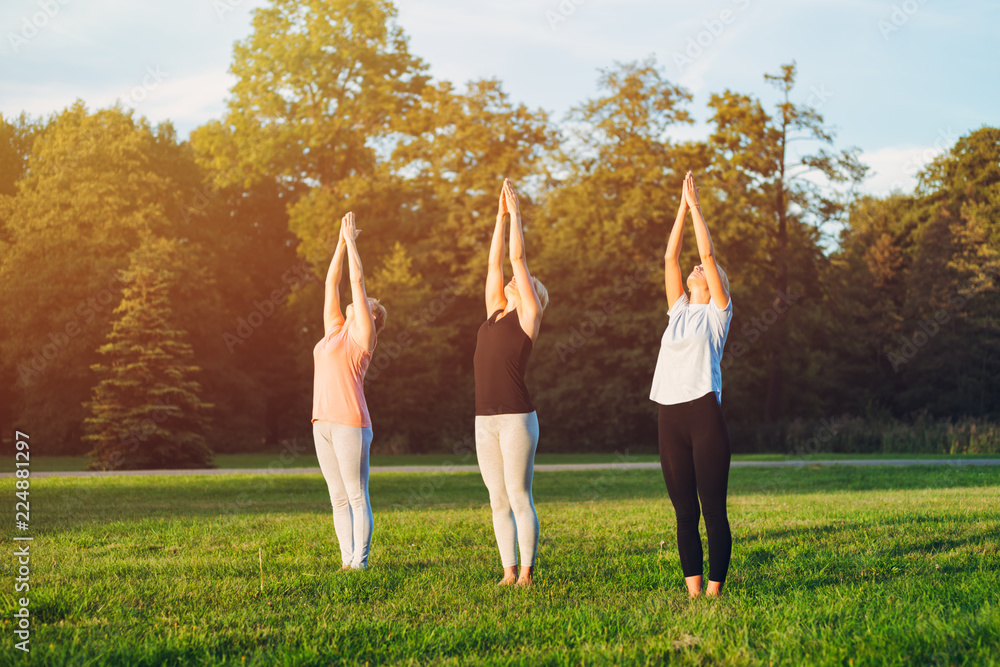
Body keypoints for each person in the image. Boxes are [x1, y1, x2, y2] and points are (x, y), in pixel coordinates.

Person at [651, 171, 733, 598]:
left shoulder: (718, 312)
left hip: (703, 413)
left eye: (704, 268)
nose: (696, 267)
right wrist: (681, 208)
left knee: (713, 511)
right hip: (669, 414)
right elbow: (670, 259)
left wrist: (698, 206)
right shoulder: (679, 311)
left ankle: (716, 594)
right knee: (684, 514)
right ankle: (693, 594)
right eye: (696, 268)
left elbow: (706, 250)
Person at [474, 178, 549, 587]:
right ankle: (507, 572)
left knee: (519, 495)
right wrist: (498, 218)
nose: (510, 279)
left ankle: (527, 573)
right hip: (483, 420)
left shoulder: (527, 318)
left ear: (532, 293)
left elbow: (517, 260)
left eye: (520, 281)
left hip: (517, 419)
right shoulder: (494, 314)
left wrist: (517, 214)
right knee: (497, 498)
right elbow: (495, 264)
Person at [312, 211, 386, 571]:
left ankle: (361, 562)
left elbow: (356, 280)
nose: (358, 300)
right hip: (322, 423)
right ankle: (346, 561)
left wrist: (354, 243)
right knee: (337, 498)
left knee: (357, 496)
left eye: (366, 304)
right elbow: (332, 284)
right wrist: (340, 243)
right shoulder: (335, 329)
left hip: (350, 423)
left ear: (372, 318)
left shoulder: (362, 337)